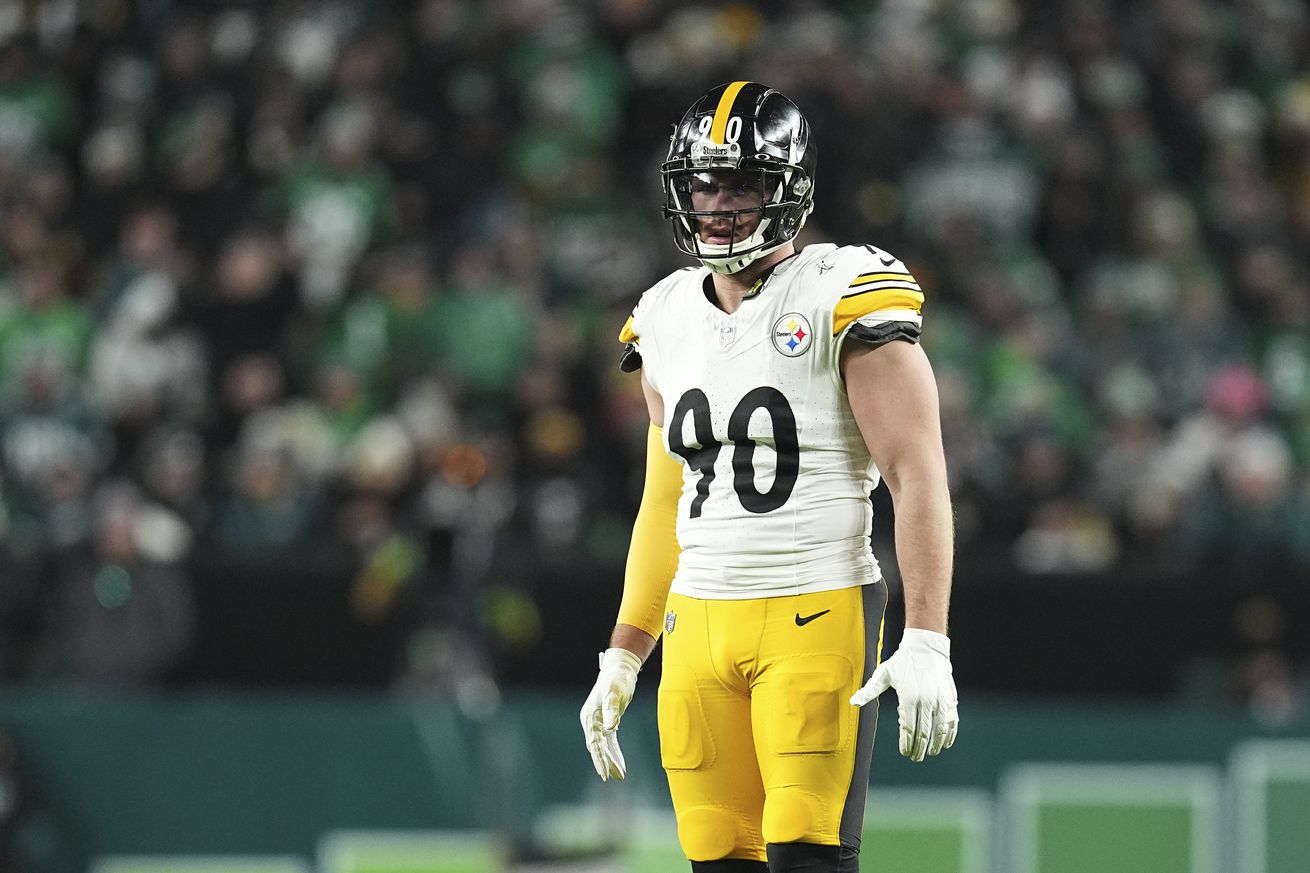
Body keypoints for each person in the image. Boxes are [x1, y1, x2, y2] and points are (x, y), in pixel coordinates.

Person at [580, 81, 959, 873]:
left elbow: (915, 471)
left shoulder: (842, 289)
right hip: (696, 627)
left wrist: (927, 634)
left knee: (806, 855)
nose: (719, 204)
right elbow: (665, 500)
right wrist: (624, 649)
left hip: (815, 606)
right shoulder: (663, 315)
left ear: (788, 189)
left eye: (744, 184)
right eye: (705, 183)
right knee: (717, 857)